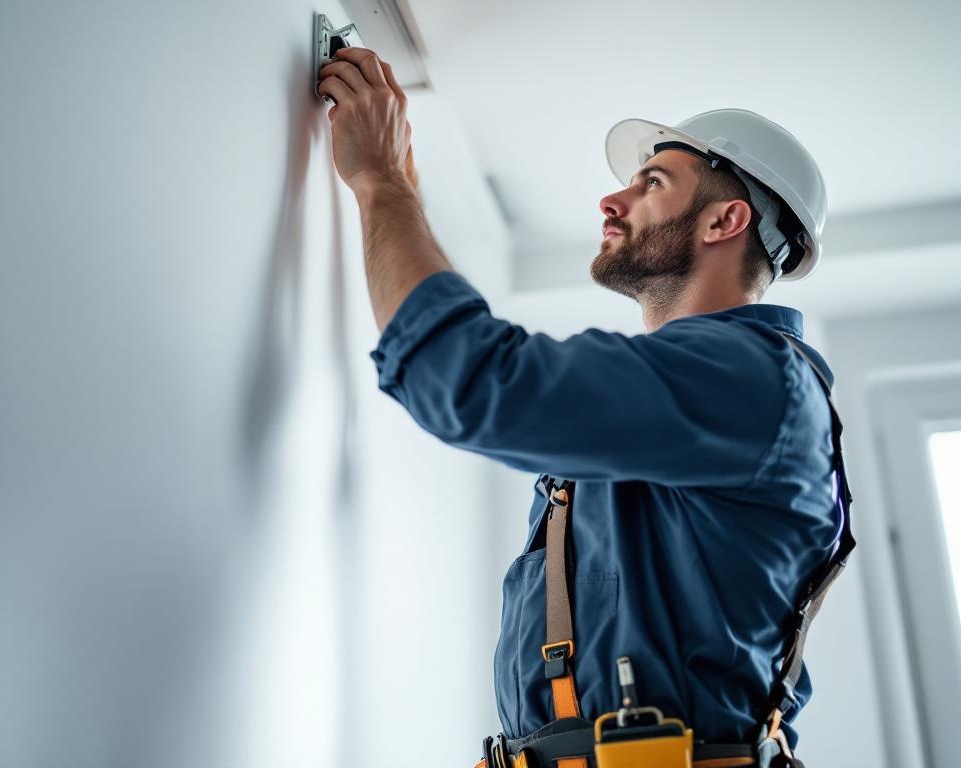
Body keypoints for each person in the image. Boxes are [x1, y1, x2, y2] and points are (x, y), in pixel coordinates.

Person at [318, 47, 853, 768]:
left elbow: (471, 382)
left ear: (724, 221)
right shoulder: (680, 399)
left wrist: (382, 185)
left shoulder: (748, 378)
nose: (612, 201)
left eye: (653, 182)